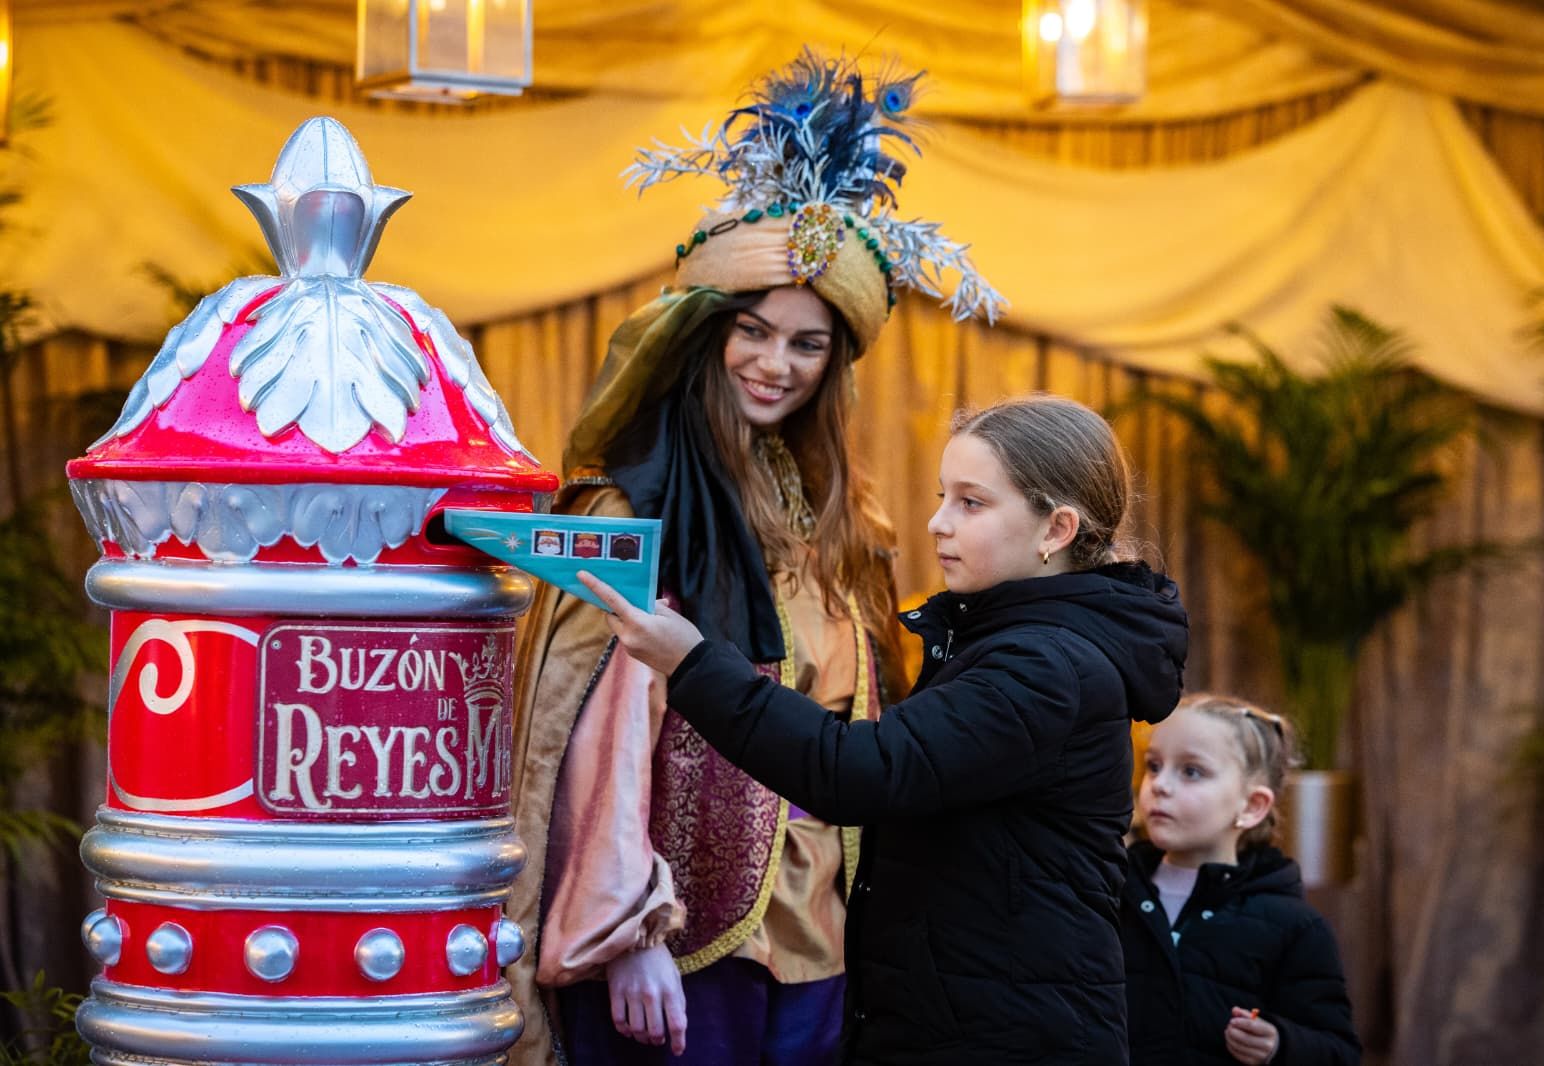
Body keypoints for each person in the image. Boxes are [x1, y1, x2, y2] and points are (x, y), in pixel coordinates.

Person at [505, 51, 1004, 1066]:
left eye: (808, 344)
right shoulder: (628, 506)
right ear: (702, 335)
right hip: (673, 957)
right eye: (753, 330)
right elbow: (584, 743)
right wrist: (626, 932)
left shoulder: (835, 528)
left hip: (815, 942)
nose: (776, 364)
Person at [580, 395, 1191, 1065]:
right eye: (942, 496)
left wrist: (691, 663)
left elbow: (859, 771)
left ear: (1057, 529)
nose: (937, 523)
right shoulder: (1011, 641)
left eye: (972, 503)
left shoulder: (1046, 665)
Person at [1120, 695, 1361, 1065]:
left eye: (1191, 771)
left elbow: (1338, 1052)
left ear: (1251, 807)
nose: (1159, 785)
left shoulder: (1295, 926)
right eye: (1154, 766)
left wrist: (1280, 1044)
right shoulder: (1109, 891)